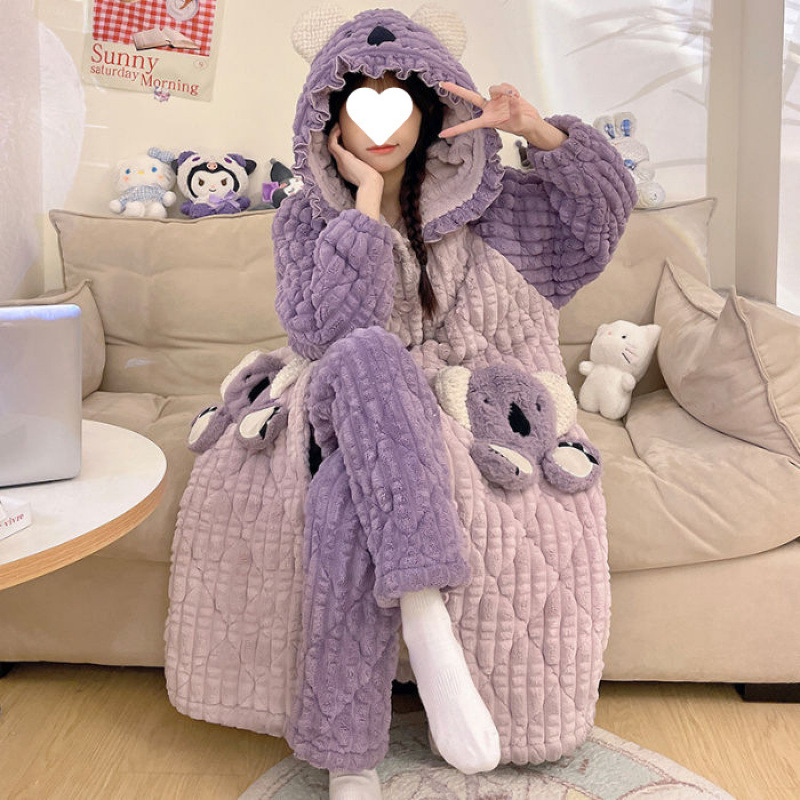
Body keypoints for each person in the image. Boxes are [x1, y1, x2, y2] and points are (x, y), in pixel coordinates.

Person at [164, 8, 637, 800]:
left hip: (460, 402)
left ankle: (349, 754)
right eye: (358, 103)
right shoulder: (304, 216)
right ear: (330, 118)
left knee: (344, 497)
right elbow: (324, 330)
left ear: (428, 111)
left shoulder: (505, 206)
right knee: (364, 351)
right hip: (340, 393)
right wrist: (365, 206)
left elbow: (599, 220)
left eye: (396, 103)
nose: (379, 122)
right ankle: (425, 612)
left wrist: (536, 130)